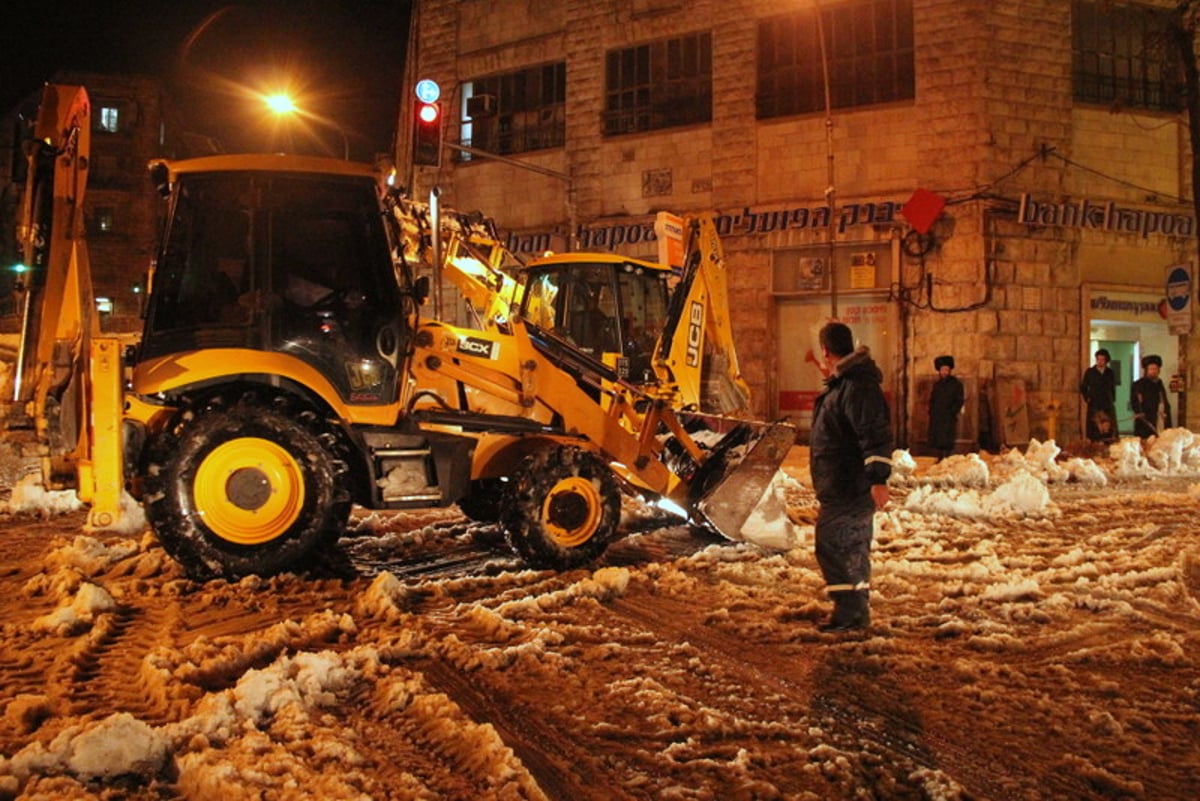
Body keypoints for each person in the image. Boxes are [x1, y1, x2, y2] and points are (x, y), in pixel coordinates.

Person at [809, 321, 893, 632]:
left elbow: (873, 434)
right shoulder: (849, 384)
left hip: (847, 485)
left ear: (826, 350)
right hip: (847, 485)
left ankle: (850, 611)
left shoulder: (855, 387)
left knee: (831, 544)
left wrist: (878, 479)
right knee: (853, 547)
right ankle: (855, 612)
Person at [928, 355, 964, 460]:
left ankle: (947, 458)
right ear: (939, 371)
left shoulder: (956, 384)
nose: (944, 372)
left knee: (947, 439)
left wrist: (952, 412)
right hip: (937, 416)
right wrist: (931, 411)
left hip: (948, 416)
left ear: (950, 370)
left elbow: (959, 400)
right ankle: (939, 457)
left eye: (946, 370)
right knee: (937, 439)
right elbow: (933, 399)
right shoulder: (937, 384)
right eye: (942, 370)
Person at [1079, 348, 1117, 443]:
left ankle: (1107, 442)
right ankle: (1094, 443)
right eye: (1098, 359)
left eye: (1102, 360)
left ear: (1106, 361)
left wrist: (1112, 399)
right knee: (1094, 425)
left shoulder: (1110, 373)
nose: (1100, 362)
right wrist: (1087, 397)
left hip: (1107, 403)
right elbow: (1083, 386)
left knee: (1107, 425)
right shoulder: (1090, 372)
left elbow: (1112, 388)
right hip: (1094, 402)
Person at [1131, 354, 1171, 438]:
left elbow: (1163, 400)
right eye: (1151, 369)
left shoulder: (1159, 383)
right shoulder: (1138, 384)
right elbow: (1135, 402)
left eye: (1155, 369)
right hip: (1146, 420)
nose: (1153, 371)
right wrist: (1139, 412)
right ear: (1146, 370)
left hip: (1160, 418)